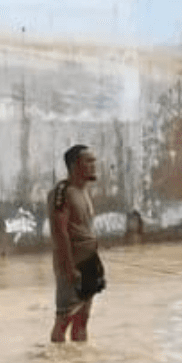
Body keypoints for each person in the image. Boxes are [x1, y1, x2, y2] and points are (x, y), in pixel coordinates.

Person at [48, 144, 102, 343]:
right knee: (64, 318)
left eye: (93, 161)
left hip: (89, 261)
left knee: (83, 318)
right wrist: (69, 267)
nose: (93, 165)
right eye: (88, 161)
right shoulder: (63, 192)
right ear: (74, 165)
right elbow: (60, 232)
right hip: (72, 265)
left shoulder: (84, 191)